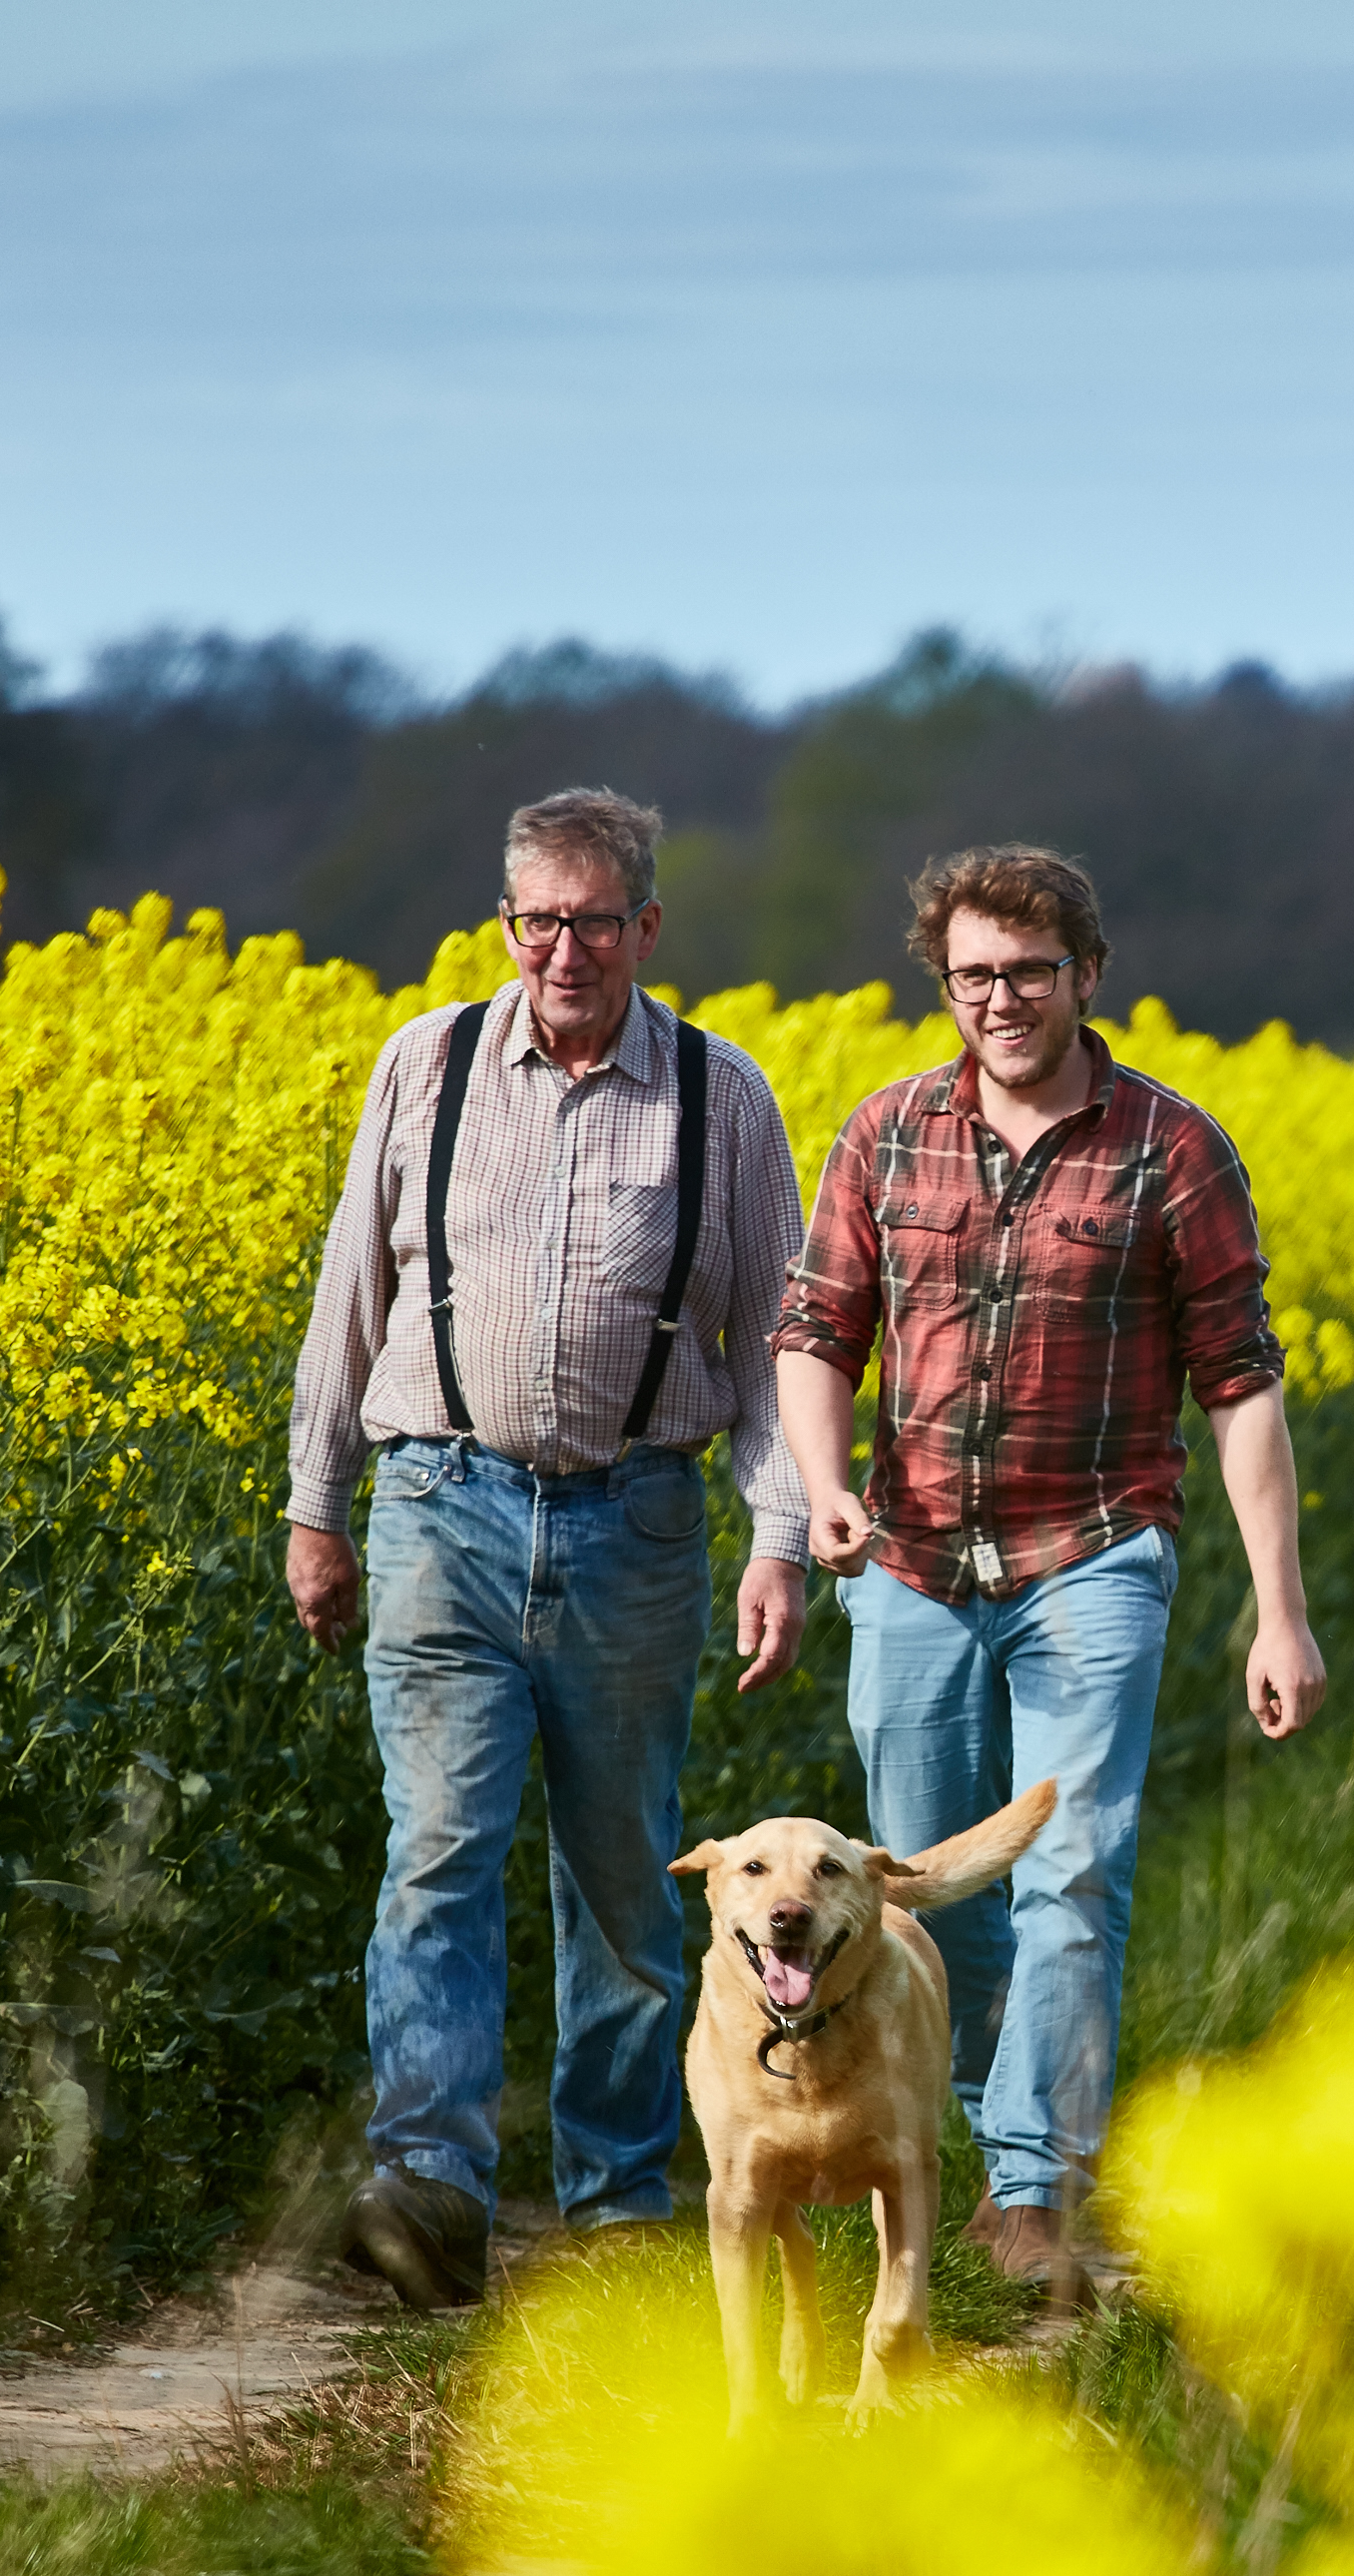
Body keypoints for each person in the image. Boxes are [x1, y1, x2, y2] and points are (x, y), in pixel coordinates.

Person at [772, 843, 1328, 2298]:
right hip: (908, 1560)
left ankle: (1034, 2192)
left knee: (1073, 1872)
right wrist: (827, 1491)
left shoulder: (1172, 1149)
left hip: (1093, 1552)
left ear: (1088, 970)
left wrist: (1282, 1613)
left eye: (1027, 971)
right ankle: (941, 2149)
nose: (1000, 999)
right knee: (910, 1883)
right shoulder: (885, 1134)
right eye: (972, 976)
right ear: (941, 984)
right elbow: (818, 1336)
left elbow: (1242, 1385)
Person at [284, 788, 809, 2311]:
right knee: (438, 1853)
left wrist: (779, 1536)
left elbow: (775, 1343)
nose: (562, 949)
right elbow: (351, 1300)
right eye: (536, 920)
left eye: (593, 920)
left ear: (647, 928)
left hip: (635, 1520)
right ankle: (430, 2190)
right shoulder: (427, 1063)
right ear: (503, 923)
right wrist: (316, 1506)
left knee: (628, 1883)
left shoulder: (722, 1098)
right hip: (439, 1502)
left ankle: (618, 2205)